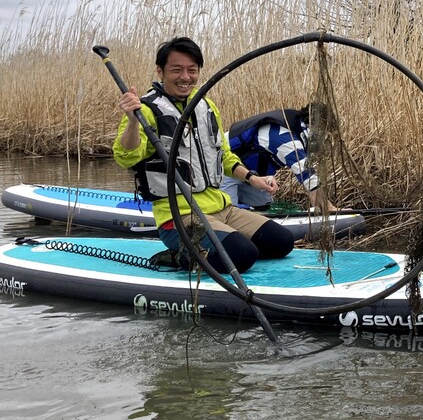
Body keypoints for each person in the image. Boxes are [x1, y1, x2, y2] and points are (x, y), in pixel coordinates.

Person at [113, 37, 296, 274]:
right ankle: (180, 255)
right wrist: (130, 120)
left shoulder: (206, 106)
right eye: (176, 70)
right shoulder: (145, 110)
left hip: (223, 209)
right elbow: (125, 157)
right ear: (160, 71)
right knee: (243, 254)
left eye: (192, 70)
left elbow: (225, 157)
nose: (185, 77)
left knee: (282, 242)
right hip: (180, 216)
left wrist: (253, 179)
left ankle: (223, 243)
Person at [220, 105, 338, 213]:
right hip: (225, 167)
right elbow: (307, 176)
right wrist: (329, 209)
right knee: (230, 213)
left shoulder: (296, 126)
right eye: (324, 135)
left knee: (264, 206)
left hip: (251, 174)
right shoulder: (286, 138)